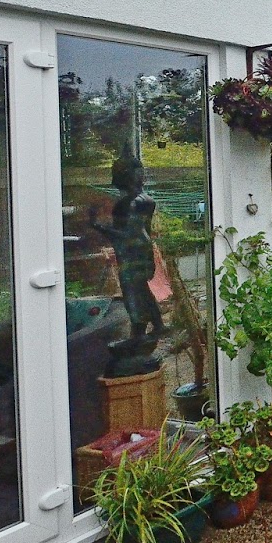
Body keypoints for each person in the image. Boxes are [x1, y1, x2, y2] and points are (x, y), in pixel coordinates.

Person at [88, 151, 165, 376]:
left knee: (133, 293)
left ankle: (145, 331)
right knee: (139, 291)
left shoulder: (131, 203)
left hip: (133, 253)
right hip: (139, 252)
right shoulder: (144, 200)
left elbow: (129, 235)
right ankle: (147, 329)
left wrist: (97, 226)